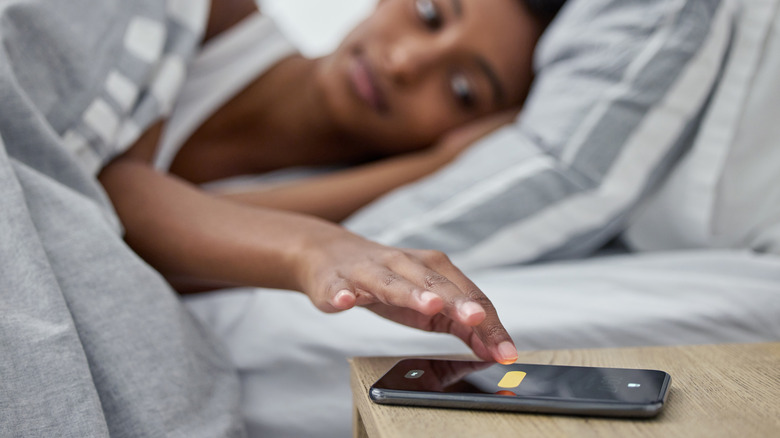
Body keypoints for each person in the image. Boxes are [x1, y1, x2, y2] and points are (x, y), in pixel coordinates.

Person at [97, 0, 565, 365]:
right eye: (429, 13)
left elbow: (155, 254)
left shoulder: (354, 220)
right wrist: (313, 247)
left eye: (462, 90)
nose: (404, 62)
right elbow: (106, 200)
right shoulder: (218, 17)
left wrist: (439, 166)